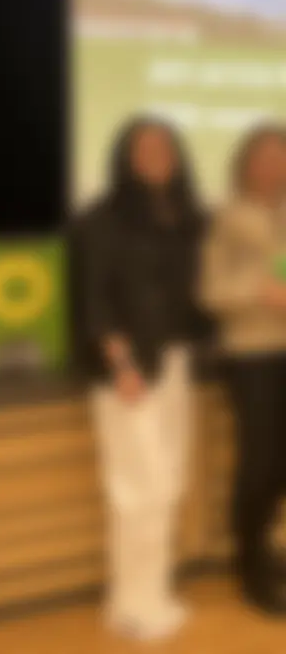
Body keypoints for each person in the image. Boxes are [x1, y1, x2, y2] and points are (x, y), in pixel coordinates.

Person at [73, 117, 209, 639]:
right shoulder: (103, 220)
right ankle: (132, 605)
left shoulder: (182, 216)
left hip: (175, 365)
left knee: (168, 485)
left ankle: (152, 594)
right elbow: (96, 301)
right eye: (145, 147)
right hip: (128, 369)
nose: (156, 155)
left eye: (165, 146)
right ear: (127, 157)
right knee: (137, 489)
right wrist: (121, 366)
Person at [198, 123, 286, 616]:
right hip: (251, 356)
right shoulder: (227, 217)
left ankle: (268, 548)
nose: (275, 164)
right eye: (265, 155)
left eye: (283, 155)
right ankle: (249, 563)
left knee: (282, 464)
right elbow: (210, 291)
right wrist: (260, 291)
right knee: (259, 461)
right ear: (246, 163)